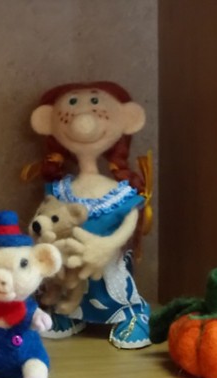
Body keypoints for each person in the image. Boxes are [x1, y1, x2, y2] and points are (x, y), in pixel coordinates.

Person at [29, 81, 151, 349]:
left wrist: (108, 245)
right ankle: (68, 314)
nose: (82, 115)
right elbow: (46, 218)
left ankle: (132, 315)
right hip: (68, 264)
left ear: (129, 119)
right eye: (72, 103)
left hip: (107, 262)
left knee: (112, 285)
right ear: (46, 122)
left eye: (95, 102)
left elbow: (130, 221)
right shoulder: (60, 189)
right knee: (67, 285)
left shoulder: (120, 192)